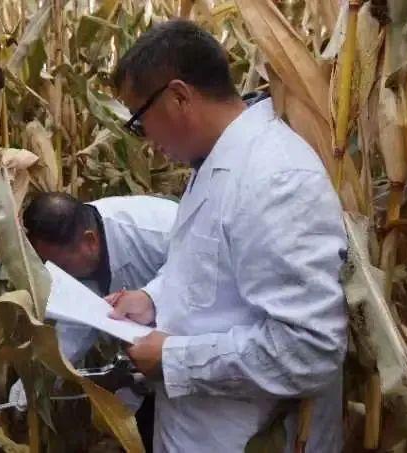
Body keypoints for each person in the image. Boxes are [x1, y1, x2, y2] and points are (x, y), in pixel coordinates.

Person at [106, 20, 348, 452]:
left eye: (140, 121)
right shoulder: (216, 163)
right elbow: (211, 270)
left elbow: (309, 349)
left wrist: (175, 360)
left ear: (179, 97)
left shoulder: (274, 179)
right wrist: (151, 300)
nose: (146, 141)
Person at [9, 192, 179, 451]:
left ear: (90, 241)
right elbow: (79, 319)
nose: (58, 273)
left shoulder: (161, 231)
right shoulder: (78, 238)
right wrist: (39, 375)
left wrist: (168, 349)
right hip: (154, 370)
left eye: (61, 264)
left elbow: (201, 291)